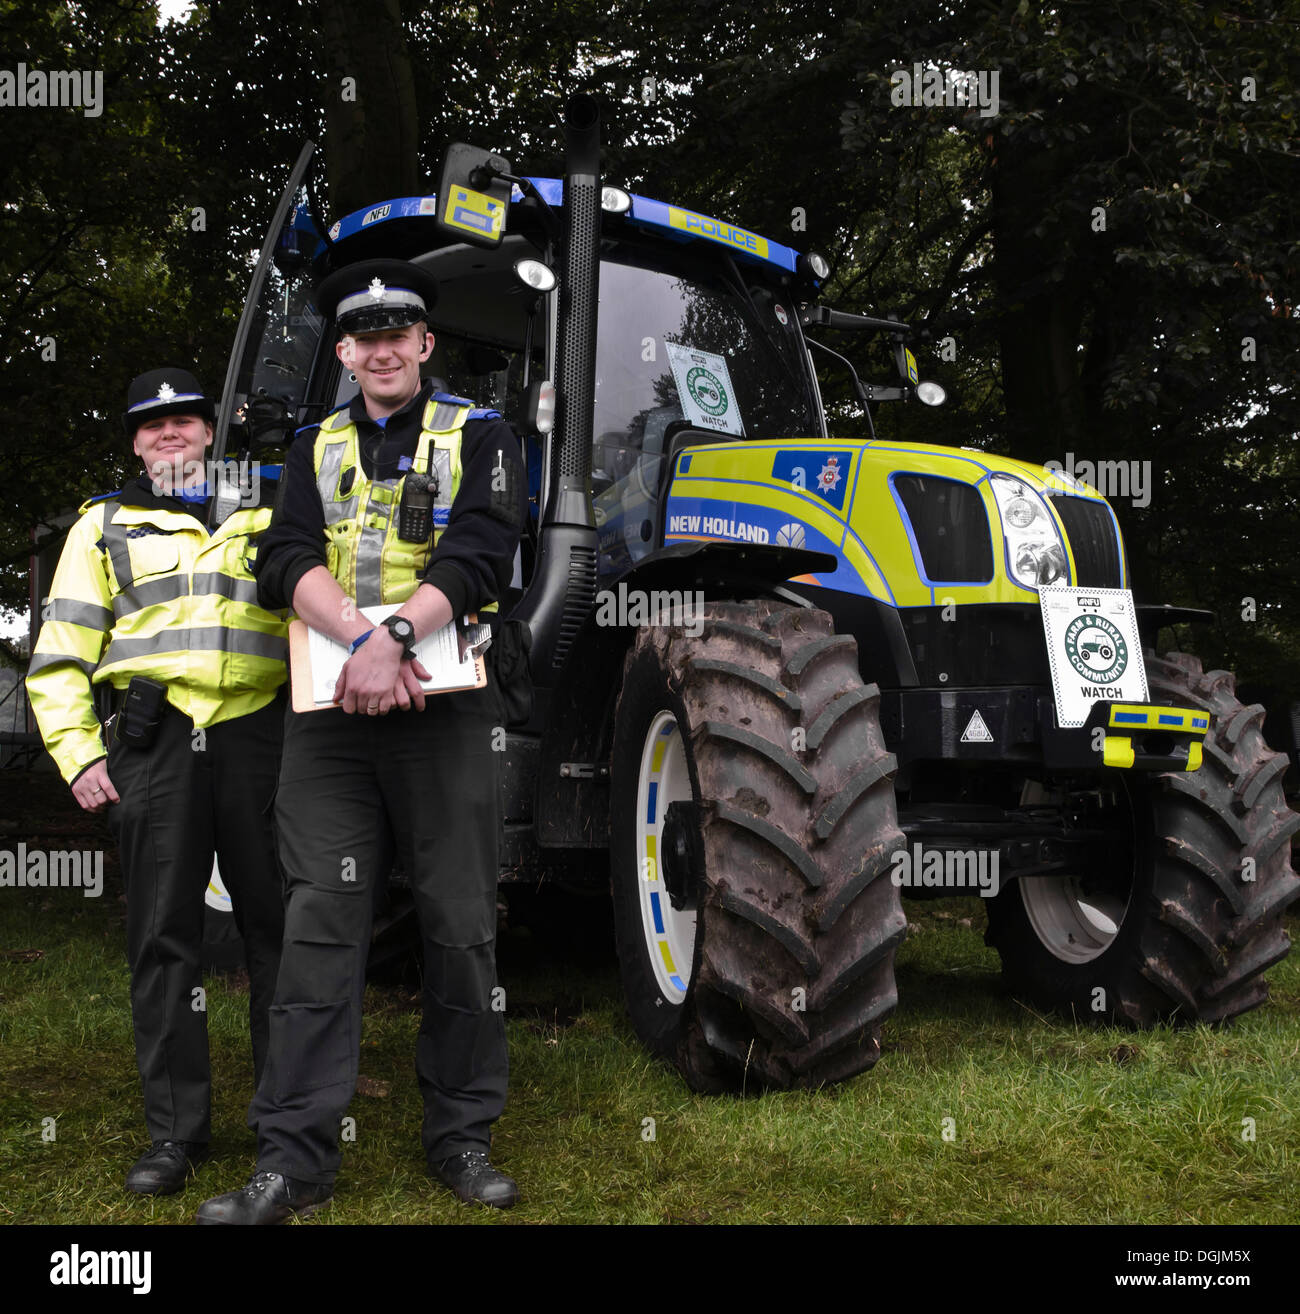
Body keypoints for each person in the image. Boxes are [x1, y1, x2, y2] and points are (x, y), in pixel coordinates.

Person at [197, 259, 526, 1224]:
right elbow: (284, 558)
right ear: (343, 353)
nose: (382, 349)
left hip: (444, 709)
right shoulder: (311, 448)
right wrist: (360, 643)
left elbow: (483, 548)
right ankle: (292, 1160)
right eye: (364, 337)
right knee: (316, 932)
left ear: (424, 345)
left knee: (460, 927)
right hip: (333, 714)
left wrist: (392, 641)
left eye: (401, 334)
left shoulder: (484, 434)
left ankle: (462, 1138)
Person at [26, 368, 288, 1196]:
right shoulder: (101, 525)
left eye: (185, 420)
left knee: (281, 937)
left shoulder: (272, 509)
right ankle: (175, 1137)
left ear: (212, 432)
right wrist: (78, 755)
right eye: (152, 425)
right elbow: (62, 651)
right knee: (162, 942)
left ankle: (286, 1129)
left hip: (262, 741)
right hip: (155, 742)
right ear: (136, 442)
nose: (169, 434)